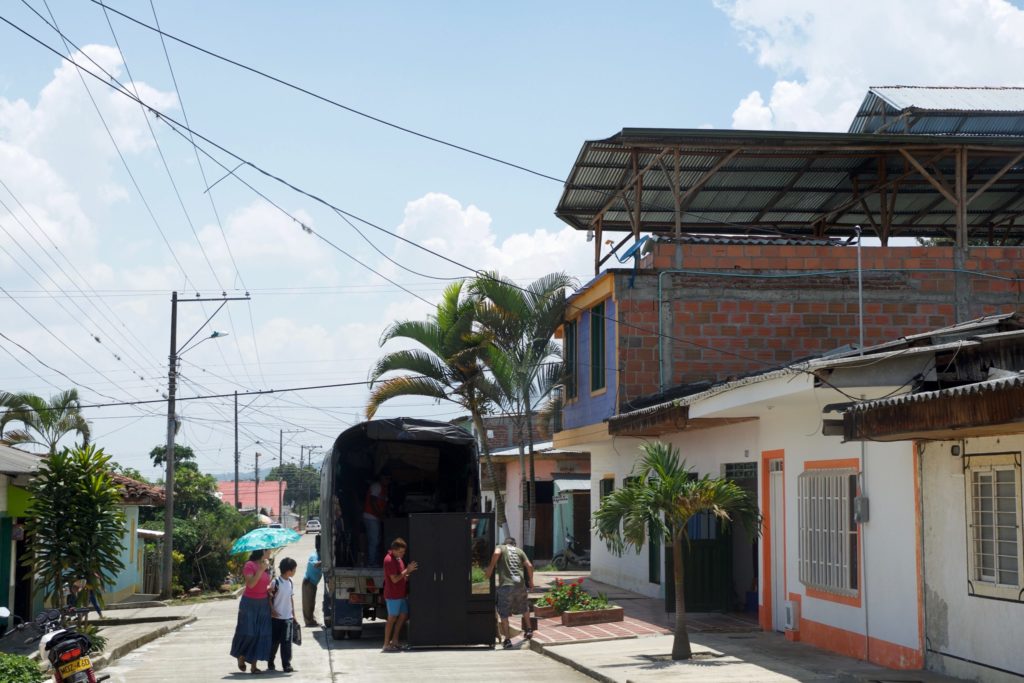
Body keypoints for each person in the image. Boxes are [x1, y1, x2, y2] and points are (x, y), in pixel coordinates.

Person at [484, 537, 534, 649]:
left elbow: (496, 553)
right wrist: (531, 581)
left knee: (504, 612)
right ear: (514, 544)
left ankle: (507, 639)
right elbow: (529, 566)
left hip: (506, 586)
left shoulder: (501, 547)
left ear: (505, 543)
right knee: (524, 607)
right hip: (520, 585)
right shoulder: (519, 551)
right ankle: (529, 630)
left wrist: (491, 567)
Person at [230, 549, 273, 674]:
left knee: (261, 634)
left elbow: (264, 584)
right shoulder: (250, 565)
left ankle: (254, 666)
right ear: (262, 551)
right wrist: (260, 570)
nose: (270, 552)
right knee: (249, 632)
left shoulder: (266, 565)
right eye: (268, 550)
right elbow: (251, 584)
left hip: (263, 603)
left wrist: (270, 588)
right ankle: (241, 655)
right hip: (249, 603)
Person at [382, 537, 418, 652]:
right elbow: (394, 579)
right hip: (393, 595)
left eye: (404, 552)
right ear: (394, 550)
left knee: (403, 615)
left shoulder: (398, 559)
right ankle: (386, 644)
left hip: (401, 594)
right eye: (401, 552)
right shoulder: (389, 560)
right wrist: (407, 571)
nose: (403, 554)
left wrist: (406, 576)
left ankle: (395, 641)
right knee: (392, 618)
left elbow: (400, 575)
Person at [268, 557, 298, 673]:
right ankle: (270, 660)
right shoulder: (276, 582)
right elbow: (269, 598)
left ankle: (286, 664)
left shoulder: (290, 582)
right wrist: (272, 610)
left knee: (286, 642)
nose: (295, 571)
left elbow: (291, 599)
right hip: (276, 618)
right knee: (274, 642)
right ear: (288, 571)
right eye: (294, 569)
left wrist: (293, 615)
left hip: (288, 618)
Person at [362, 470, 391, 564]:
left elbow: (384, 504)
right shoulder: (377, 486)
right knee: (374, 540)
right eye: (386, 478)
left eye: (389, 478)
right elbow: (373, 501)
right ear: (381, 478)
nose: (388, 480)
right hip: (370, 516)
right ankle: (372, 563)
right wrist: (380, 514)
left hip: (375, 517)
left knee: (376, 540)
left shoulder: (384, 489)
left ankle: (374, 561)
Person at [302, 535, 323, 627]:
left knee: (311, 602)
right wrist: (324, 561)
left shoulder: (321, 555)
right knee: (307, 604)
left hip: (313, 583)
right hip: (308, 582)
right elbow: (314, 564)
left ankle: (311, 621)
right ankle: (309, 622)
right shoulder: (314, 555)